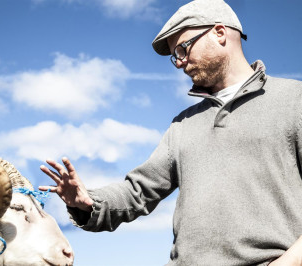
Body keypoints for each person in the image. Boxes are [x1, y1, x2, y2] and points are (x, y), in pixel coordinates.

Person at [39, 0, 302, 265]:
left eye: (183, 48)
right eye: (175, 56)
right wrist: (87, 203)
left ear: (220, 33)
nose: (179, 63)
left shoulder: (294, 100)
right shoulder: (182, 124)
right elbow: (136, 192)